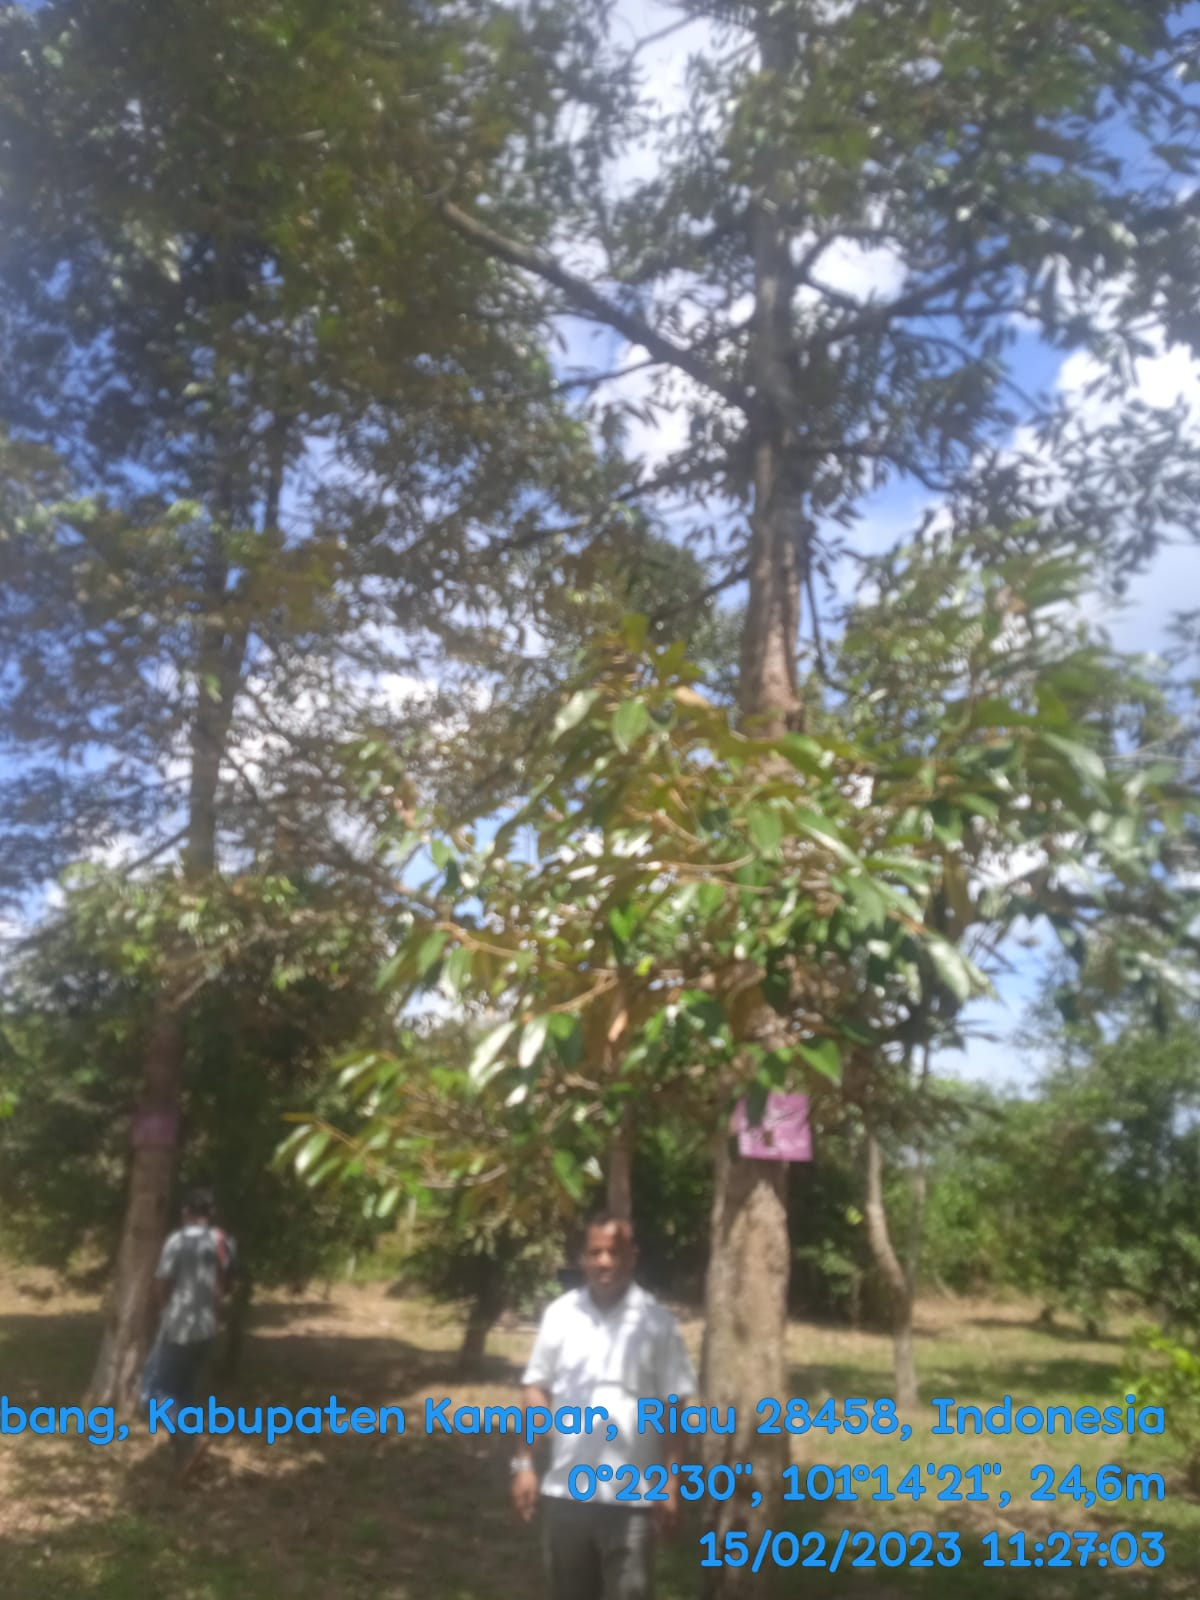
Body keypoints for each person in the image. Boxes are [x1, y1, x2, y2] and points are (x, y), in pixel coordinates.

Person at [511, 1212, 698, 1600]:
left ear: (633, 1256)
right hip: (567, 1496)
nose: (604, 1262)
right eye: (595, 1252)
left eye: (614, 1252)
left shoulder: (658, 1323)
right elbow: (537, 1390)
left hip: (632, 1501)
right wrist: (525, 1463)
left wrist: (671, 1484)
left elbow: (674, 1410)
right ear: (582, 1258)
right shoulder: (560, 1315)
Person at [150, 1186, 236, 1480]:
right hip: (207, 1327)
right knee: (186, 1390)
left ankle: (188, 1439)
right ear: (211, 1214)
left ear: (185, 1212)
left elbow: (162, 1282)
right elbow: (225, 1285)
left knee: (155, 1392)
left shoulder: (177, 1240)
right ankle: (184, 1455)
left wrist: (165, 1310)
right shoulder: (223, 1241)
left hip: (179, 1326)